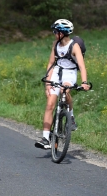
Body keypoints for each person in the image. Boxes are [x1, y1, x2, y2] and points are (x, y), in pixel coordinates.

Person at [35, 19, 90, 149]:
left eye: (56, 31)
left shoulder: (73, 46)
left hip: (69, 73)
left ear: (63, 33)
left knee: (65, 91)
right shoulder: (55, 45)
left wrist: (84, 82)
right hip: (57, 72)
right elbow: (50, 64)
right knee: (50, 105)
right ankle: (45, 138)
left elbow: (82, 66)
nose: (54, 33)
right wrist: (47, 84)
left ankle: (70, 116)